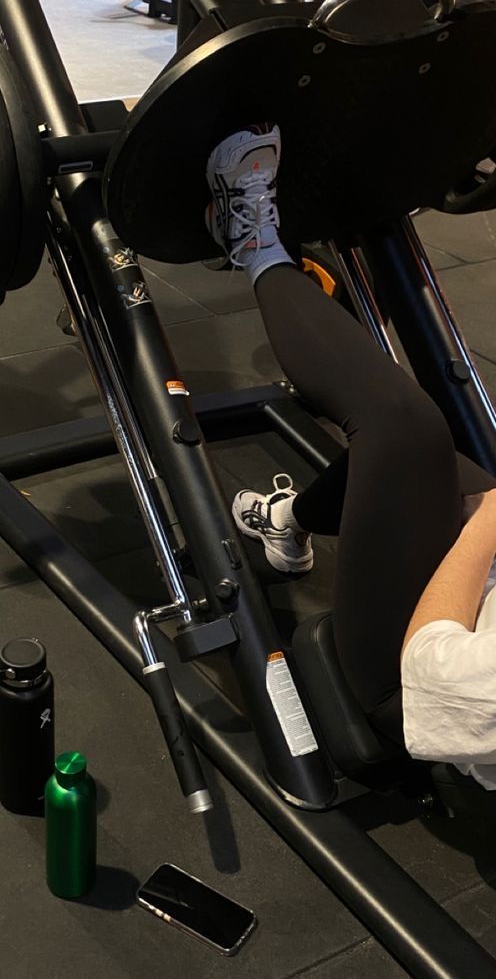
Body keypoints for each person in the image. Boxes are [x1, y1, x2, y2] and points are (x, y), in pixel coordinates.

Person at [205, 124, 496, 788]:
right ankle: (289, 522)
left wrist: (489, 521)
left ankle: (251, 243)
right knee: (419, 463)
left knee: (404, 432)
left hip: (410, 679)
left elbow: (431, 668)